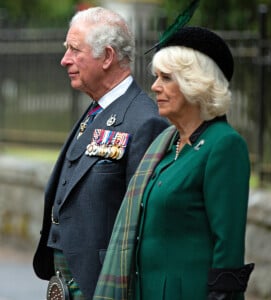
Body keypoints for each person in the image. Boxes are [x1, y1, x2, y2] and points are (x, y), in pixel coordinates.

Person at [93, 26, 254, 300]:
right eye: (157, 77)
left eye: (166, 78)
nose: (155, 87)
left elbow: (228, 246)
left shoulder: (224, 145)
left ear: (197, 83)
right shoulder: (166, 144)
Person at [32, 6, 168, 300]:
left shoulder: (145, 120)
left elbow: (144, 225)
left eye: (74, 49)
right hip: (66, 278)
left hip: (104, 283)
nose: (64, 59)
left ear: (107, 56)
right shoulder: (97, 110)